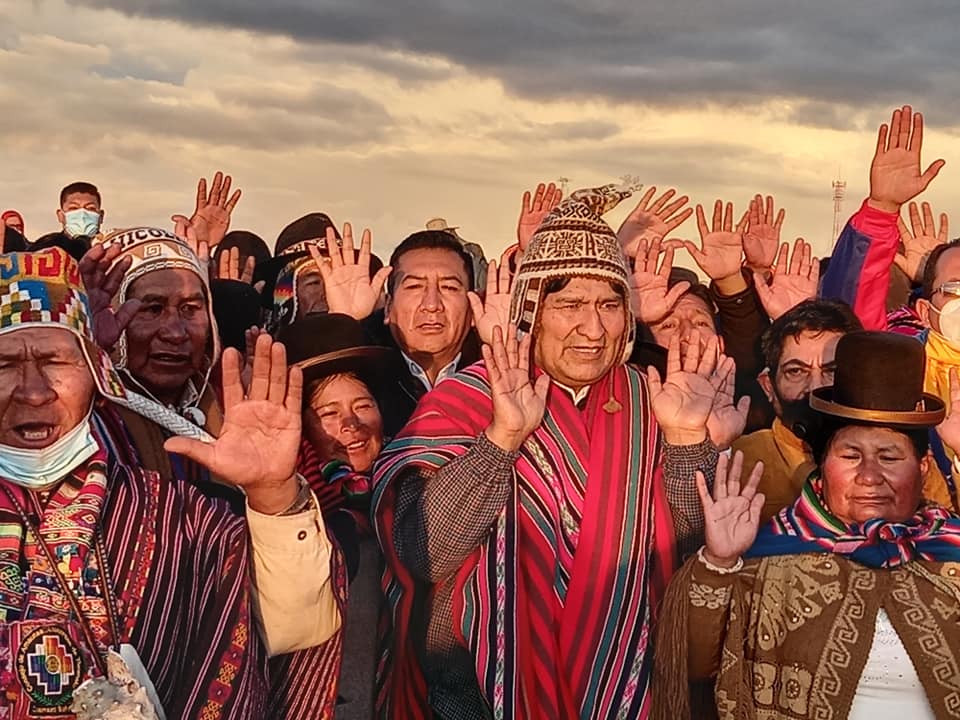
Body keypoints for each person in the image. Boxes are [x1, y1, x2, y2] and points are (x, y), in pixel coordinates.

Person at [373, 185, 744, 718]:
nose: (592, 329)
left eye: (609, 305)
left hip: (633, 695)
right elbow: (421, 551)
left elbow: (691, 555)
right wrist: (499, 442)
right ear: (532, 309)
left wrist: (688, 442)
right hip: (480, 697)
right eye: (569, 304)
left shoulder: (657, 396)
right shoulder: (470, 397)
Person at [0, 247, 339, 718]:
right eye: (5, 365)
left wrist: (271, 495)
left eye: (56, 361)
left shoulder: (180, 516)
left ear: (96, 374)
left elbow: (293, 628)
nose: (33, 390)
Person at [90, 228, 346, 717]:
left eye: (191, 309)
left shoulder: (228, 423)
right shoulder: (85, 431)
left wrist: (273, 494)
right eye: (150, 309)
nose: (175, 331)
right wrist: (86, 359)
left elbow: (297, 624)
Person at [654, 330, 960, 720]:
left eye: (889, 457)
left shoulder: (950, 548)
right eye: (850, 455)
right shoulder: (770, 552)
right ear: (823, 466)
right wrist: (717, 563)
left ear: (922, 468)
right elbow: (692, 664)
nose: (869, 476)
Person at [820, 105, 959, 510]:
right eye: (954, 288)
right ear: (924, 308)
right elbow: (845, 321)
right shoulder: (901, 357)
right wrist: (881, 211)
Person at [732, 299, 873, 521]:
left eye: (832, 371)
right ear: (768, 386)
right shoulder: (740, 461)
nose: (815, 387)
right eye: (796, 371)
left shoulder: (895, 455)